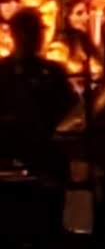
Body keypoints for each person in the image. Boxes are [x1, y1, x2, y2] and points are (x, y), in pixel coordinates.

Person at [0, 10, 77, 175]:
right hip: (11, 154)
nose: (38, 37)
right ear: (16, 34)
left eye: (39, 31)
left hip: (48, 153)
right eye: (31, 31)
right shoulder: (3, 72)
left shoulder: (53, 71)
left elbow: (72, 110)